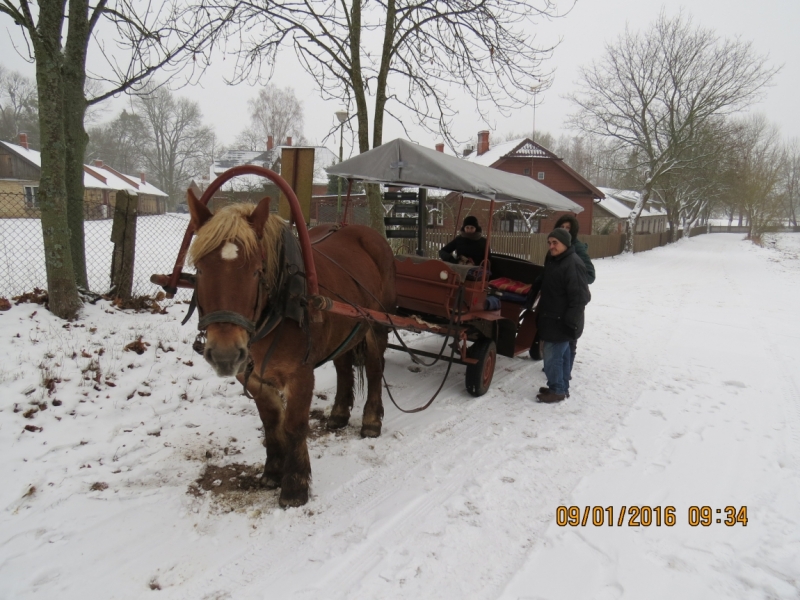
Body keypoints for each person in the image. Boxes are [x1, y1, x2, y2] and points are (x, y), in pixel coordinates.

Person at [533, 228, 591, 403]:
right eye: (549, 243)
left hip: (561, 321)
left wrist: (570, 321)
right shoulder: (556, 261)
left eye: (555, 243)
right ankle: (561, 387)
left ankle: (557, 389)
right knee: (563, 356)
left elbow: (581, 296)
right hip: (553, 318)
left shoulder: (572, 263)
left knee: (552, 357)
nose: (551, 246)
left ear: (565, 243)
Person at [554, 214, 596, 380]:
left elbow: (590, 275)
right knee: (556, 334)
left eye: (568, 228)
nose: (564, 230)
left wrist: (572, 280)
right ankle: (557, 366)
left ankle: (565, 374)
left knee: (570, 335)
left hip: (573, 299)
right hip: (556, 299)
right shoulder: (555, 247)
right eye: (562, 227)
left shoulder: (577, 248)